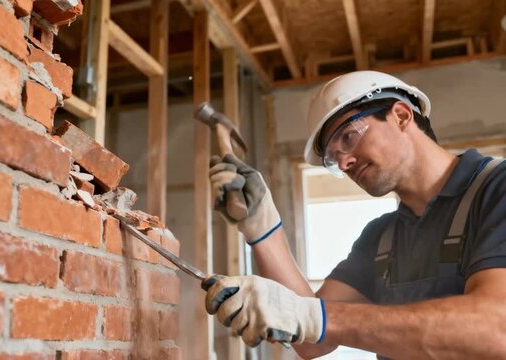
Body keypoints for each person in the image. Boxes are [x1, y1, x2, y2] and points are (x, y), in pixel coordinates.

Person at [205, 70, 506, 358]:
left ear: (401, 116)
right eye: (333, 159)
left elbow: (495, 329)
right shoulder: (381, 237)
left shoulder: (496, 190)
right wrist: (262, 228)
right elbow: (313, 343)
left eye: (348, 137)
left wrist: (316, 317)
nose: (344, 162)